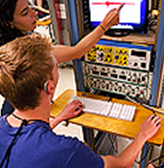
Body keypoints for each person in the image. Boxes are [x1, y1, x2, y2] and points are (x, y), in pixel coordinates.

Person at [0, 34, 162, 168]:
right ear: (50, 87)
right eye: (56, 66)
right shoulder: (68, 151)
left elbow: (27, 142)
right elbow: (120, 164)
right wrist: (142, 135)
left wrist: (59, 118)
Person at [0, 0, 120, 116]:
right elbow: (77, 52)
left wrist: (60, 117)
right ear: (8, 23)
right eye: (25, 12)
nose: (34, 13)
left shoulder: (19, 42)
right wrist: (105, 25)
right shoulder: (24, 54)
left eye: (31, 7)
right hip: (17, 114)